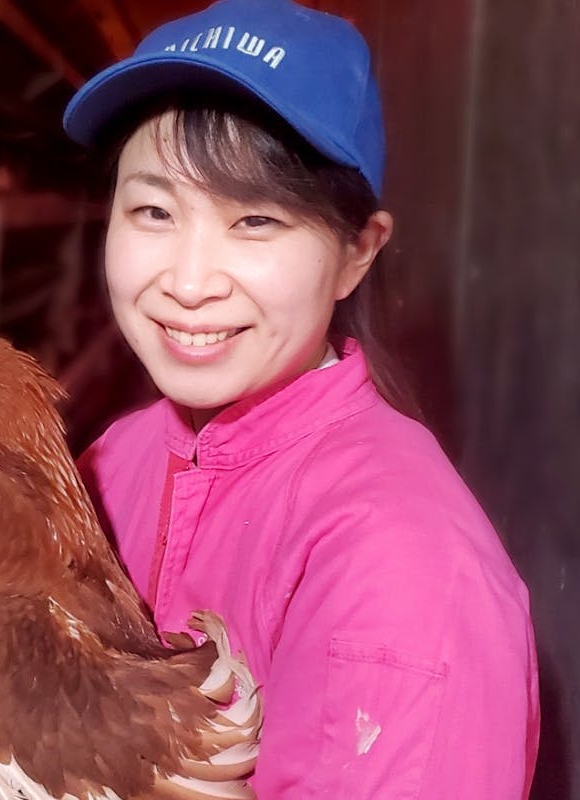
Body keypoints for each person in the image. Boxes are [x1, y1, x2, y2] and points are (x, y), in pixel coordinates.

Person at [65, 0, 540, 796]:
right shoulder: (111, 461)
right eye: (154, 211)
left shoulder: (404, 572)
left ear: (357, 253)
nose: (188, 283)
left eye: (256, 220)